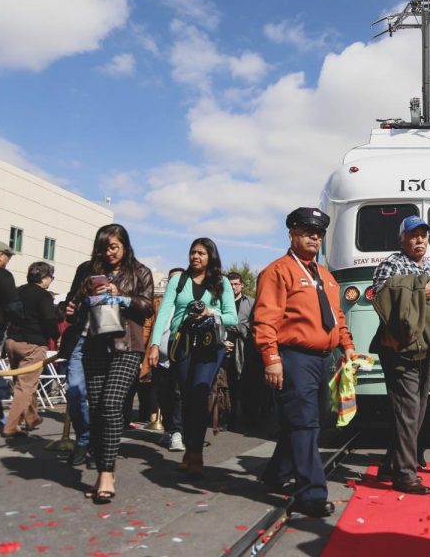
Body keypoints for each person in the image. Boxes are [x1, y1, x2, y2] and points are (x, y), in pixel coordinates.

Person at [253, 207, 355, 518]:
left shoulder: (325, 275)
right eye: (307, 230)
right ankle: (311, 493)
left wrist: (347, 345)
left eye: (319, 232)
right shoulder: (277, 271)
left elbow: (337, 315)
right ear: (292, 233)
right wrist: (271, 358)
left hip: (325, 358)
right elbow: (265, 319)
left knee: (309, 420)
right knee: (305, 423)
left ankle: (275, 474)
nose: (314, 236)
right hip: (294, 357)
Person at [69, 224, 153, 503]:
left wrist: (121, 296)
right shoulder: (89, 271)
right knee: (95, 409)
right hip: (94, 345)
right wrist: (69, 308)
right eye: (104, 247)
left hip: (127, 346)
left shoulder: (140, 272)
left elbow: (147, 306)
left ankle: (107, 471)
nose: (109, 253)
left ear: (126, 246)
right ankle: (102, 468)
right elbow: (74, 306)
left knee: (111, 403)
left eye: (114, 247)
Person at [371, 215, 430, 495]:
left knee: (416, 410)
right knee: (408, 410)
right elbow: (380, 296)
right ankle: (405, 474)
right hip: (400, 348)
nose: (420, 240)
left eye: (423, 235)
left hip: (426, 346)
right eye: (414, 235)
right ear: (402, 238)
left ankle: (390, 463)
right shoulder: (391, 263)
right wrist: (419, 288)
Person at [146, 239, 237, 478]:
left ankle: (196, 453)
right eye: (192, 252)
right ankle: (190, 449)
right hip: (182, 343)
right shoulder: (179, 281)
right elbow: (165, 312)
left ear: (211, 257)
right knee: (186, 397)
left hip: (210, 345)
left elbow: (232, 318)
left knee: (198, 393)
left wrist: (210, 311)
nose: (195, 256)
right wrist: (155, 344)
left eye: (201, 253)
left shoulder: (222, 282)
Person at [2, 262, 58, 437]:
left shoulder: (17, 291)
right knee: (25, 385)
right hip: (33, 344)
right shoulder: (44, 296)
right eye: (51, 277)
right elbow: (49, 321)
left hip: (12, 341)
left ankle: (32, 417)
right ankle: (11, 425)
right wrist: (56, 336)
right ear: (44, 277)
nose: (51, 280)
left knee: (24, 382)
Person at [151, 267, 186, 451]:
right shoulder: (159, 304)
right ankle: (169, 429)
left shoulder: (188, 303)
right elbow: (150, 327)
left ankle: (178, 432)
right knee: (163, 395)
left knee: (178, 395)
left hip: (180, 357)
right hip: (160, 357)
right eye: (171, 279)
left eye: (178, 280)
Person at [0, 240, 21, 430]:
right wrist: (18, 323)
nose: (9, 259)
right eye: (8, 256)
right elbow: (14, 306)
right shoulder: (3, 276)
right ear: (0, 255)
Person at [223, 271, 254, 431]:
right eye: (230, 284)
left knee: (243, 385)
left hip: (243, 349)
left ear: (242, 285)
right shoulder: (221, 302)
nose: (233, 287)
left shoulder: (250, 302)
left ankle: (247, 419)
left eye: (236, 284)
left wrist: (239, 327)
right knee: (225, 385)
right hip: (223, 346)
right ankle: (226, 418)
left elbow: (254, 324)